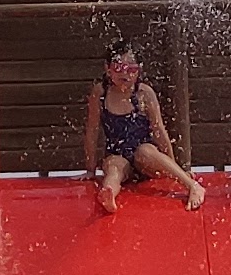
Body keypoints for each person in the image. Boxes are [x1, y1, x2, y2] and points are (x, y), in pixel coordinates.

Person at [84, 36, 206, 215]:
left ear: (138, 70)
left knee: (145, 151)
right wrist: (90, 169)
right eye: (118, 67)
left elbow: (159, 130)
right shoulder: (101, 93)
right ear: (108, 69)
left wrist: (175, 167)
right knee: (113, 167)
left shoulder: (143, 93)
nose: (125, 74)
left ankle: (193, 186)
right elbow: (92, 130)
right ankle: (109, 194)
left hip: (146, 160)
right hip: (117, 154)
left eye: (131, 69)